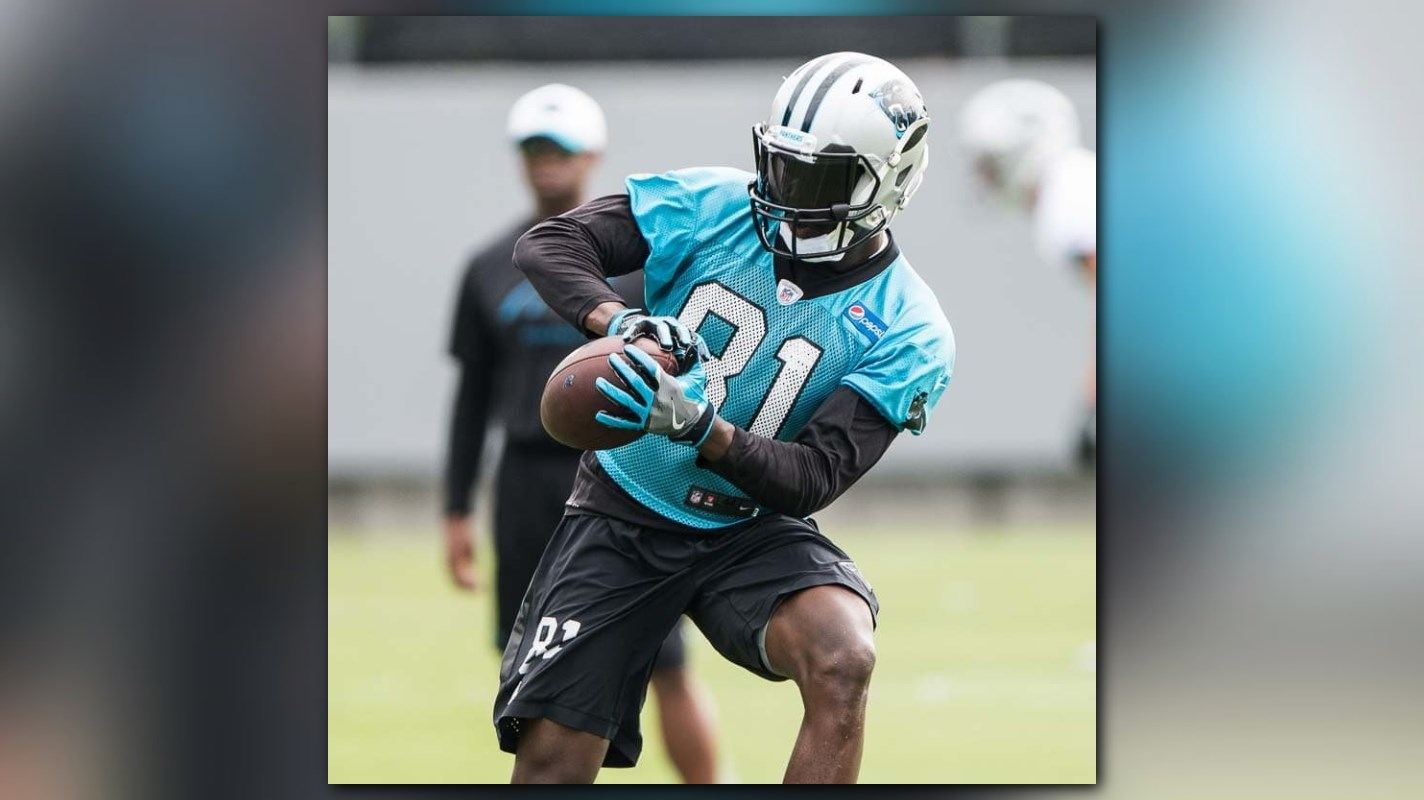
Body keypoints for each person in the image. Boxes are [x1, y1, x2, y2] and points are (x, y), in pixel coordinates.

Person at [494, 53, 955, 783]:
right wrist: (621, 321)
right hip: (624, 512)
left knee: (844, 656)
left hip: (749, 528)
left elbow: (810, 479)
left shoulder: (908, 328)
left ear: (886, 181)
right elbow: (549, 244)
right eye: (780, 166)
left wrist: (699, 426)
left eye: (818, 177)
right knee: (551, 766)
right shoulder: (711, 204)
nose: (786, 192)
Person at [442, 83, 720, 784]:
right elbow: (472, 396)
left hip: (623, 477)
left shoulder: (638, 269)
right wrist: (454, 508)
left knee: (667, 662)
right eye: (535, 148)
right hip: (525, 480)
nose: (548, 163)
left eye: (561, 149)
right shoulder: (487, 265)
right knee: (535, 665)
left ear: (592, 154)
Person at [957, 78, 1097, 468]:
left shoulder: (1067, 197)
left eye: (991, 162)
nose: (986, 176)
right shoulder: (1076, 182)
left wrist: (1094, 401)